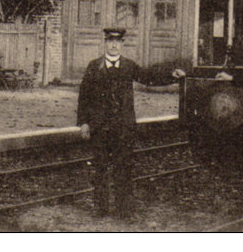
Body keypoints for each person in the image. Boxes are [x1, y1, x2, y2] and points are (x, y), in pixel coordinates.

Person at [76, 28, 185, 218]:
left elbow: (149, 77)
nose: (113, 45)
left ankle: (123, 210)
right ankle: (101, 209)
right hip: (100, 128)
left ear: (122, 45)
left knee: (123, 169)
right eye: (110, 41)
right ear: (105, 43)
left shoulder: (128, 66)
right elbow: (84, 96)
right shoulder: (94, 67)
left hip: (123, 128)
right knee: (100, 169)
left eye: (117, 42)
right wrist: (84, 123)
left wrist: (171, 76)